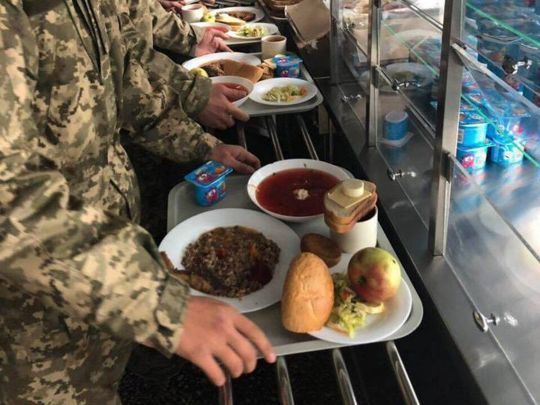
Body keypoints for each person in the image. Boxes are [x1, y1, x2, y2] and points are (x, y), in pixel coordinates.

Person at [0, 1, 274, 403]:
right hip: (34, 306)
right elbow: (8, 199)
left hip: (109, 266)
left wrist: (203, 146)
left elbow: (127, 81)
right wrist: (162, 306)